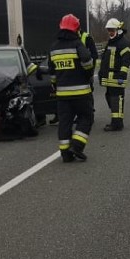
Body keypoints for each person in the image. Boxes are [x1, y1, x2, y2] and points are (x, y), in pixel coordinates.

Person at [47, 14, 94, 161]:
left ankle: (65, 154)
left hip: (62, 96)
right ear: (76, 28)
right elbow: (87, 60)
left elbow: (52, 72)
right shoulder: (77, 43)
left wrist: (55, 85)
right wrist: (88, 74)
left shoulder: (53, 47)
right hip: (81, 93)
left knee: (65, 123)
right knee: (86, 117)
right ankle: (77, 146)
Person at [99, 18, 130, 132]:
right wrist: (101, 73)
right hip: (109, 78)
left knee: (116, 100)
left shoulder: (123, 43)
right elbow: (106, 59)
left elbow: (126, 60)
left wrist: (122, 74)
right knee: (110, 98)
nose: (110, 32)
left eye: (112, 30)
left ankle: (117, 124)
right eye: (109, 30)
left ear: (118, 30)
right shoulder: (111, 42)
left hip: (117, 77)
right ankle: (115, 121)